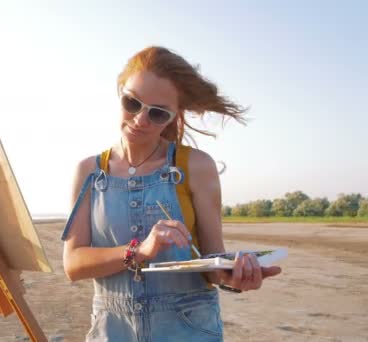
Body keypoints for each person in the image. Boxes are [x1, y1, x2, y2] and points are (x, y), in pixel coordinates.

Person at [60, 46, 282, 341]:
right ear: (119, 93)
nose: (140, 119)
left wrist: (233, 277)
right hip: (111, 331)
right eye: (132, 103)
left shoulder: (197, 166)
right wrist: (140, 251)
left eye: (157, 113)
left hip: (187, 330)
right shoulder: (88, 171)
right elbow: (73, 264)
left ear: (174, 116)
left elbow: (212, 260)